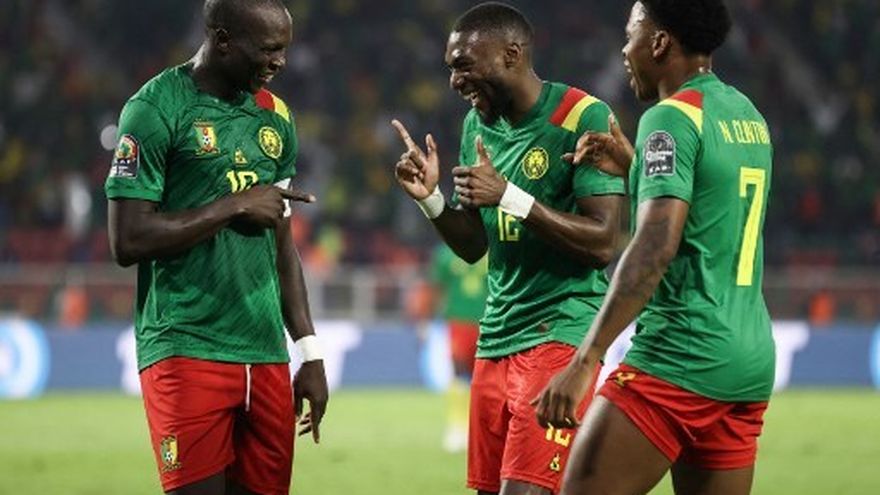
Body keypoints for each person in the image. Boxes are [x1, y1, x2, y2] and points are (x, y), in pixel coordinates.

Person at [533, 1, 775, 494]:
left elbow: (654, 246)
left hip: (682, 354)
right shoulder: (747, 115)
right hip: (748, 362)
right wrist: (636, 164)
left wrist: (585, 360)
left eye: (632, 35)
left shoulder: (670, 117)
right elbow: (710, 207)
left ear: (660, 42)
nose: (625, 50)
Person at [392, 3, 625, 493]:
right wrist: (431, 199)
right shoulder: (478, 126)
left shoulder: (581, 115)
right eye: (450, 68)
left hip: (559, 333)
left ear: (511, 54)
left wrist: (510, 197)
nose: (455, 81)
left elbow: (604, 241)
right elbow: (474, 245)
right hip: (496, 337)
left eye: (464, 66)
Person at [104, 1, 328, 494]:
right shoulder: (155, 109)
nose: (280, 62)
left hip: (266, 354)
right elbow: (128, 239)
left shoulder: (276, 116)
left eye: (284, 49)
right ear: (223, 40)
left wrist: (309, 351)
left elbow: (282, 245)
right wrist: (233, 205)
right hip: (187, 347)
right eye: (269, 49)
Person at [429, 244, 488, 453]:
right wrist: (429, 320)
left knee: (485, 376)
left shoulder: (495, 248)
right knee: (458, 371)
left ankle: (482, 428)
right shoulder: (446, 253)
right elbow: (437, 288)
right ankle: (457, 425)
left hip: (490, 319)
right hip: (458, 320)